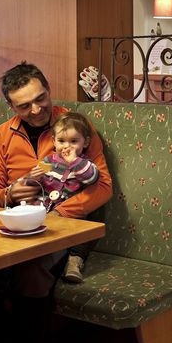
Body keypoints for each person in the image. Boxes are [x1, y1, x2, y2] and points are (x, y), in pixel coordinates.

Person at [0, 61, 112, 296]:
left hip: (62, 226)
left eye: (40, 98)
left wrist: (58, 214)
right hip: (16, 225)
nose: (36, 110)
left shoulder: (76, 127)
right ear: (11, 106)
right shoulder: (1, 134)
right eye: (24, 106)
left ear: (48, 89)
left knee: (29, 270)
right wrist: (9, 195)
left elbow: (103, 186)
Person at [25, 111, 101, 283]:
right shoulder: (49, 161)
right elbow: (34, 185)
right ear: (53, 141)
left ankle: (74, 261)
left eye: (73, 141)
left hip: (70, 217)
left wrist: (74, 161)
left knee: (82, 232)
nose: (67, 147)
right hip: (44, 212)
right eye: (61, 141)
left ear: (85, 142)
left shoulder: (84, 163)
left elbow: (92, 177)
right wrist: (32, 178)